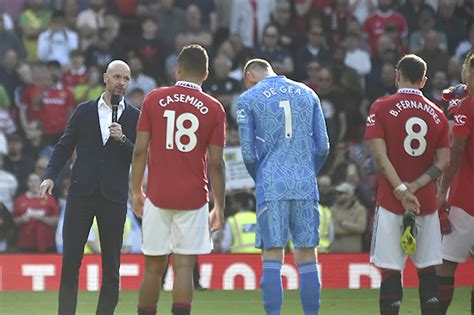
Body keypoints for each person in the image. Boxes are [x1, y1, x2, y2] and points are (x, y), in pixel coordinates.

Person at [131, 44, 226, 315]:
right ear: (206, 74)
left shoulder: (153, 98)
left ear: (178, 69)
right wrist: (219, 205)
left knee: (153, 268)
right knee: (184, 266)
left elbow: (139, 150)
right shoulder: (214, 108)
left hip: (158, 195)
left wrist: (136, 189)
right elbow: (217, 164)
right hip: (194, 197)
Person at [39, 60, 139, 315]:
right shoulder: (84, 110)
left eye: (126, 79)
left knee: (112, 267)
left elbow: (141, 156)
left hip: (114, 198)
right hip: (80, 194)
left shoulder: (135, 116)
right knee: (71, 263)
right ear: (105, 77)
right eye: (116, 77)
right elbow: (64, 146)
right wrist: (50, 176)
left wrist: (124, 139)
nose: (121, 83)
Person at [236, 58, 330, 315]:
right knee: (307, 254)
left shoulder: (248, 98)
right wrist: (308, 172)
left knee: (273, 255)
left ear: (249, 74)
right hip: (304, 182)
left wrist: (263, 179)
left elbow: (248, 153)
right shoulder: (308, 93)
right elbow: (323, 146)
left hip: (271, 182)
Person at [364, 54, 450, 315]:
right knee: (428, 270)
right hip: (423, 202)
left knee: (390, 269)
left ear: (397, 76)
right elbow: (444, 160)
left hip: (392, 201)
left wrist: (401, 190)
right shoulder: (438, 114)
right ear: (423, 81)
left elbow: (380, 156)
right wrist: (416, 186)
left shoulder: (380, 107)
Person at [436, 52, 474, 315]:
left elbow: (457, 149)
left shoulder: (465, 106)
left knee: (446, 265)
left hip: (465, 198)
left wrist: (441, 190)